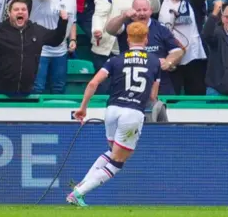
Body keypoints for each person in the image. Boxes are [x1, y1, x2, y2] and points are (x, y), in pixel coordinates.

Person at [67, 22, 161, 207]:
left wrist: (83, 108)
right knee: (118, 162)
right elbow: (152, 96)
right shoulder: (154, 61)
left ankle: (82, 185)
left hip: (112, 110)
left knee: (112, 152)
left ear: (127, 39)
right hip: (132, 113)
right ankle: (78, 193)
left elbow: (93, 83)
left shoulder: (115, 60)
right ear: (146, 39)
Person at [0, 0, 69, 96]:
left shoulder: (36, 31)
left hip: (27, 92)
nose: (20, 12)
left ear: (28, 13)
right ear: (9, 13)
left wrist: (63, 22)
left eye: (23, 9)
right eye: (16, 9)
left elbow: (55, 40)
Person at [105, 0, 184, 95]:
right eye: (138, 10)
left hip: (159, 82)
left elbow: (177, 51)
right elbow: (109, 30)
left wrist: (169, 62)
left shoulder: (161, 28)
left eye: (145, 10)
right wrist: (123, 16)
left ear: (151, 11)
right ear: (132, 11)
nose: (142, 13)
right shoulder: (125, 25)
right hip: (130, 82)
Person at [158, 0, 209, 96]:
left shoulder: (193, 0)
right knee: (171, 93)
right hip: (168, 53)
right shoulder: (161, 0)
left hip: (193, 53)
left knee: (196, 91)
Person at [31, 0, 78, 94]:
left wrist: (73, 39)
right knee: (37, 87)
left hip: (60, 50)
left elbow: (72, 20)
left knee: (58, 87)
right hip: (40, 49)